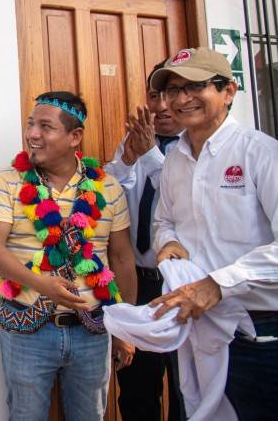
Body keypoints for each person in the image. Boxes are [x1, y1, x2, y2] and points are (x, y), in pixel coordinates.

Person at [0, 91, 137, 421]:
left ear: (74, 136)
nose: (32, 134)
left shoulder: (107, 188)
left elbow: (122, 258)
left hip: (93, 332)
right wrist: (41, 284)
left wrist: (127, 328)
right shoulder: (6, 183)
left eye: (45, 126)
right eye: (30, 124)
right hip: (27, 332)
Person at [149, 47, 278, 421]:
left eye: (196, 86)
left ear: (229, 91)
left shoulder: (260, 153)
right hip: (198, 328)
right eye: (173, 89)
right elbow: (164, 222)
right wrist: (168, 242)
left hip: (261, 333)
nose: (181, 98)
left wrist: (219, 284)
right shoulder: (174, 160)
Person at [105, 62, 185, 421]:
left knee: (188, 391)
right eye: (155, 95)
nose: (162, 105)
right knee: (137, 393)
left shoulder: (198, 148)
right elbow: (107, 190)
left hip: (183, 285)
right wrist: (128, 158)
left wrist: (149, 155)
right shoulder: (138, 140)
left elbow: (179, 195)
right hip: (139, 284)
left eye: (172, 95)